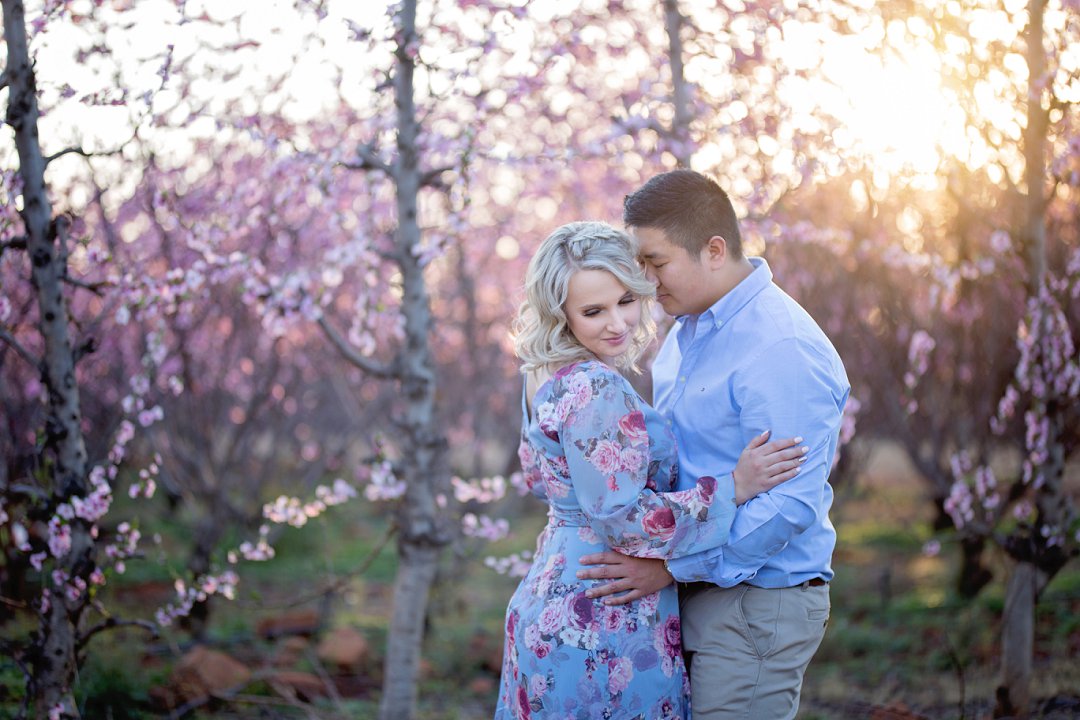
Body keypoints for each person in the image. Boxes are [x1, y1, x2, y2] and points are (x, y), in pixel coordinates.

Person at [494, 220, 808, 719]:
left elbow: (541, 482)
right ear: (562, 315)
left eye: (626, 300)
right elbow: (621, 518)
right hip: (604, 612)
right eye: (593, 311)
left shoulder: (541, 376)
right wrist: (732, 488)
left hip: (550, 595)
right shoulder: (595, 386)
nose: (617, 323)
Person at [576, 170, 851, 719]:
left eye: (656, 262)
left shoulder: (780, 346)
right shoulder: (687, 331)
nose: (647, 282)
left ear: (714, 250)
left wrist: (672, 568)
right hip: (697, 588)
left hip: (758, 599)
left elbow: (787, 507)